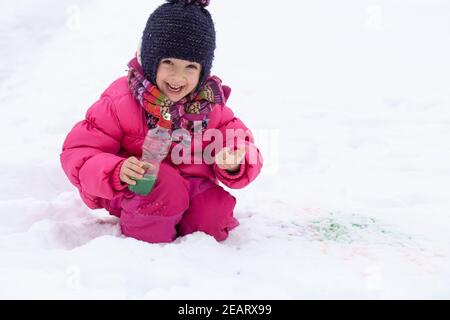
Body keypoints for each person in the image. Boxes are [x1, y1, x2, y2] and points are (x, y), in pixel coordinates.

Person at [60, 0, 263, 243]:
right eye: (168, 63)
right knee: (164, 184)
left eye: (190, 66)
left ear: (202, 71)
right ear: (151, 59)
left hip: (188, 186)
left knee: (213, 211)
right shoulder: (120, 100)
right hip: (136, 187)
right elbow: (80, 151)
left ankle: (196, 253)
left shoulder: (208, 105)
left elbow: (240, 140)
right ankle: (149, 250)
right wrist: (117, 170)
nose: (178, 77)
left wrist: (234, 159)